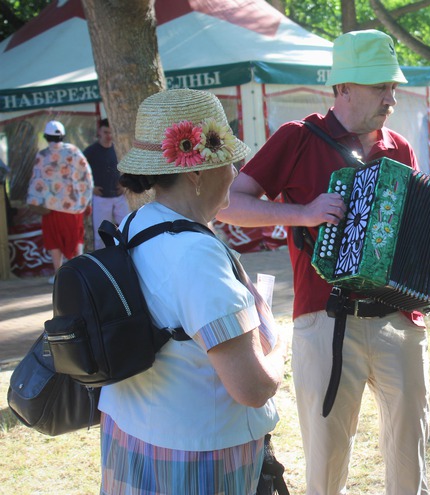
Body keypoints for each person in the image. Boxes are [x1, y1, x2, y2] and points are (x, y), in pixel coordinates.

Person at [218, 29, 430, 494]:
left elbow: (417, 232)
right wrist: (302, 212)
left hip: (399, 321)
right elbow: (228, 204)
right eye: (381, 86)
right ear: (343, 88)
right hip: (325, 319)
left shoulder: (398, 147)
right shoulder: (297, 138)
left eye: (393, 86)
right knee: (326, 460)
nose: (392, 97)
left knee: (410, 455)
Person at [98, 89, 288, 494]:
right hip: (196, 458)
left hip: (134, 436)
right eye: (229, 163)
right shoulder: (197, 256)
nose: (236, 174)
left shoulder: (138, 224)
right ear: (197, 173)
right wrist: (280, 347)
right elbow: (252, 389)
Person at [26, 120, 93, 283]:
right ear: (62, 135)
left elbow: (36, 180)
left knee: (53, 240)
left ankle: (59, 274)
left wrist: (35, 200)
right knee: (76, 239)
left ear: (46, 136)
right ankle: (81, 273)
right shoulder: (74, 151)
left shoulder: (42, 156)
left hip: (50, 208)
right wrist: (85, 200)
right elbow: (86, 176)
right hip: (73, 207)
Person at [84, 118, 130, 249]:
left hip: (120, 197)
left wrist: (124, 184)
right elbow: (79, 172)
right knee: (101, 233)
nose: (108, 136)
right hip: (101, 198)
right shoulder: (90, 151)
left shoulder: (119, 149)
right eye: (105, 132)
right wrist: (90, 188)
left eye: (110, 132)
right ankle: (102, 263)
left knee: (126, 227)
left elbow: (127, 167)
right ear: (99, 131)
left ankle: (127, 255)